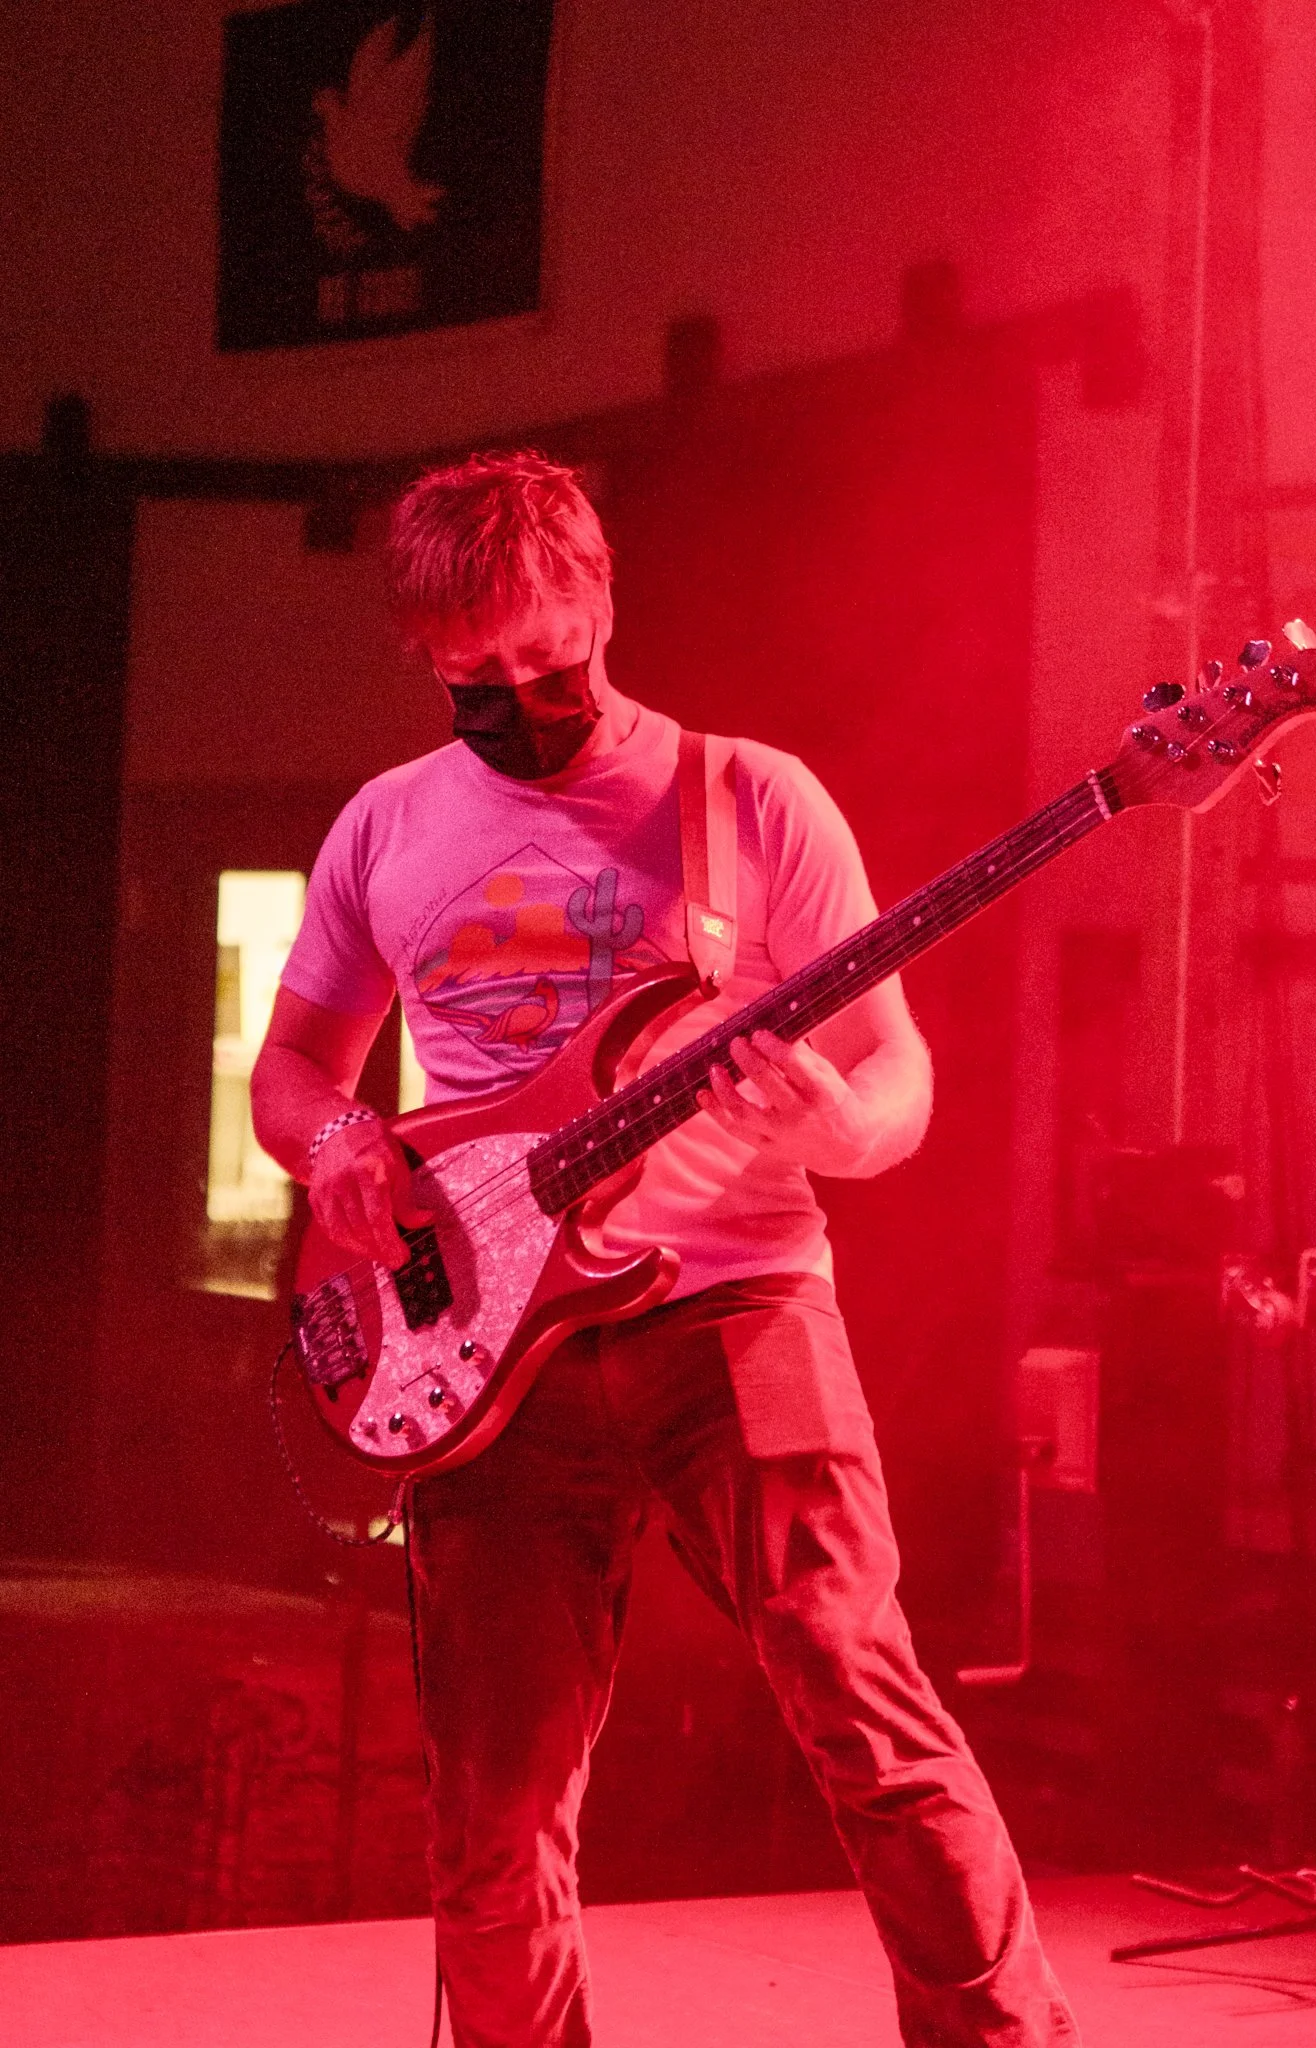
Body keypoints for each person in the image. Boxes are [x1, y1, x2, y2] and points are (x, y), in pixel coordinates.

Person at [251, 450, 1080, 2047]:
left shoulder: (752, 799)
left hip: (738, 1300)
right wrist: (342, 1143)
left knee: (863, 1704)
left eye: (544, 656)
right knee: (493, 1813)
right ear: (422, 653)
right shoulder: (385, 826)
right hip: (481, 1354)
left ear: (603, 605)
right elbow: (295, 1070)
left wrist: (834, 1129)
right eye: (472, 673)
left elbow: (896, 1075)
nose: (515, 694)